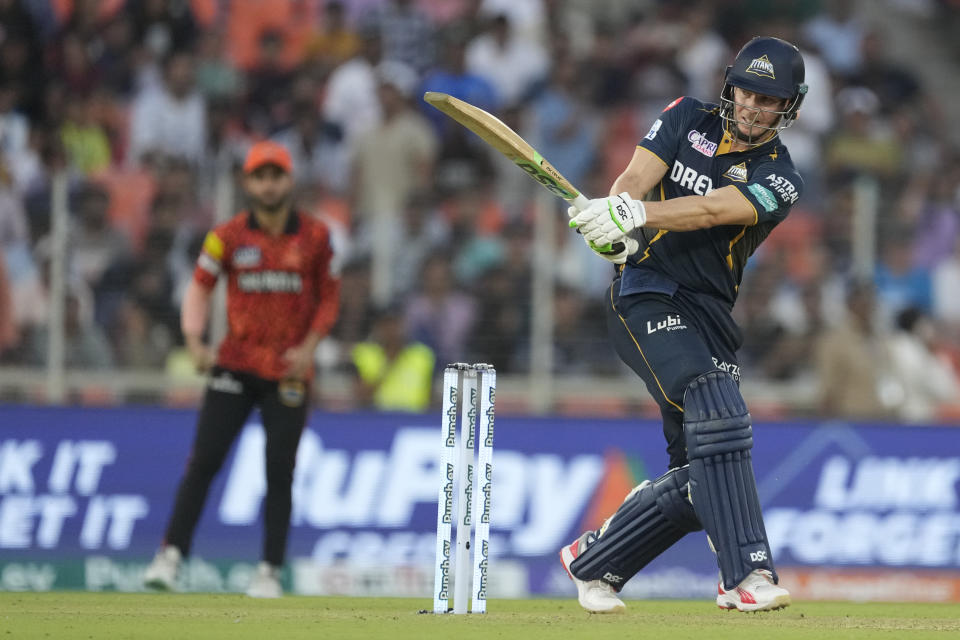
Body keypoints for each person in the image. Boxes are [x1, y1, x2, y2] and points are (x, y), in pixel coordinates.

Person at [561, 37, 807, 613]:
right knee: (716, 405)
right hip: (645, 292)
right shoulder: (684, 116)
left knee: (703, 478)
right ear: (729, 87)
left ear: (787, 108)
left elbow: (713, 209)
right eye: (746, 91)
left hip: (710, 315)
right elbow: (632, 179)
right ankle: (746, 576)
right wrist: (612, 222)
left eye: (767, 99)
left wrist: (637, 214)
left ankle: (594, 561)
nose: (751, 106)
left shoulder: (782, 176)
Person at [143, 141, 340, 598]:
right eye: (259, 176)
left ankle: (269, 571)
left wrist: (310, 346)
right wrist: (194, 341)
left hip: (290, 369)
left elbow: (329, 298)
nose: (268, 185)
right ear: (247, 182)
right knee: (205, 461)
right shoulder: (226, 236)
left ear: (290, 180)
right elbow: (198, 288)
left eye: (276, 175)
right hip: (235, 363)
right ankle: (170, 556)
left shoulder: (316, 236)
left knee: (279, 469)